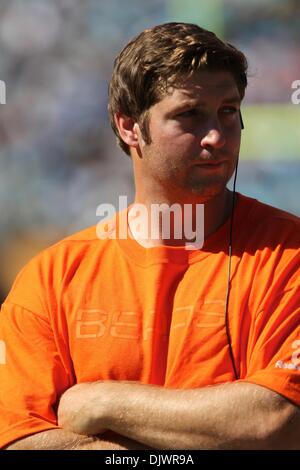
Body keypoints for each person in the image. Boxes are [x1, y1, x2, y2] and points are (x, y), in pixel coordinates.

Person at [0, 22, 299, 450]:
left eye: (228, 112)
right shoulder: (52, 279)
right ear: (129, 127)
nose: (216, 136)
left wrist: (103, 402)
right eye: (189, 115)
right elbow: (19, 439)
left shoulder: (289, 255)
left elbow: (277, 420)